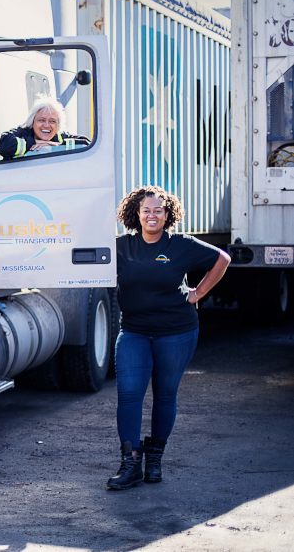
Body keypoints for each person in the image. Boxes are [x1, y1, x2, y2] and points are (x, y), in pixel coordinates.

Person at [107, 186, 230, 490]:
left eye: (158, 210)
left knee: (165, 395)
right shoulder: (122, 246)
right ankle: (131, 462)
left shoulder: (181, 245)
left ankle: (155, 461)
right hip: (134, 330)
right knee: (130, 394)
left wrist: (199, 292)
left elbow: (222, 259)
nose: (152, 215)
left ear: (167, 215)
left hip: (176, 332)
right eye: (146, 210)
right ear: (136, 214)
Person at [0, 95, 90, 159]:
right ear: (32, 122)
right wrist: (34, 142)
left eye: (52, 121)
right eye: (41, 120)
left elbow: (87, 144)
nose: (46, 125)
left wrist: (54, 146)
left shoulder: (61, 137)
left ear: (58, 125)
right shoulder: (23, 132)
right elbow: (4, 145)